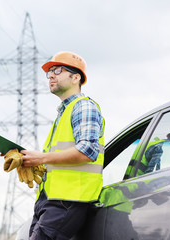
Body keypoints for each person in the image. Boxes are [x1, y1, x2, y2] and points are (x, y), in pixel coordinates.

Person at [20, 51, 105, 240]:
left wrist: (40, 157)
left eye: (57, 70)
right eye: (49, 72)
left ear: (76, 78)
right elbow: (59, 160)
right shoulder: (64, 112)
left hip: (68, 200)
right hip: (51, 199)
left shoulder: (83, 107)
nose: (51, 75)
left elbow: (87, 151)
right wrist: (32, 162)